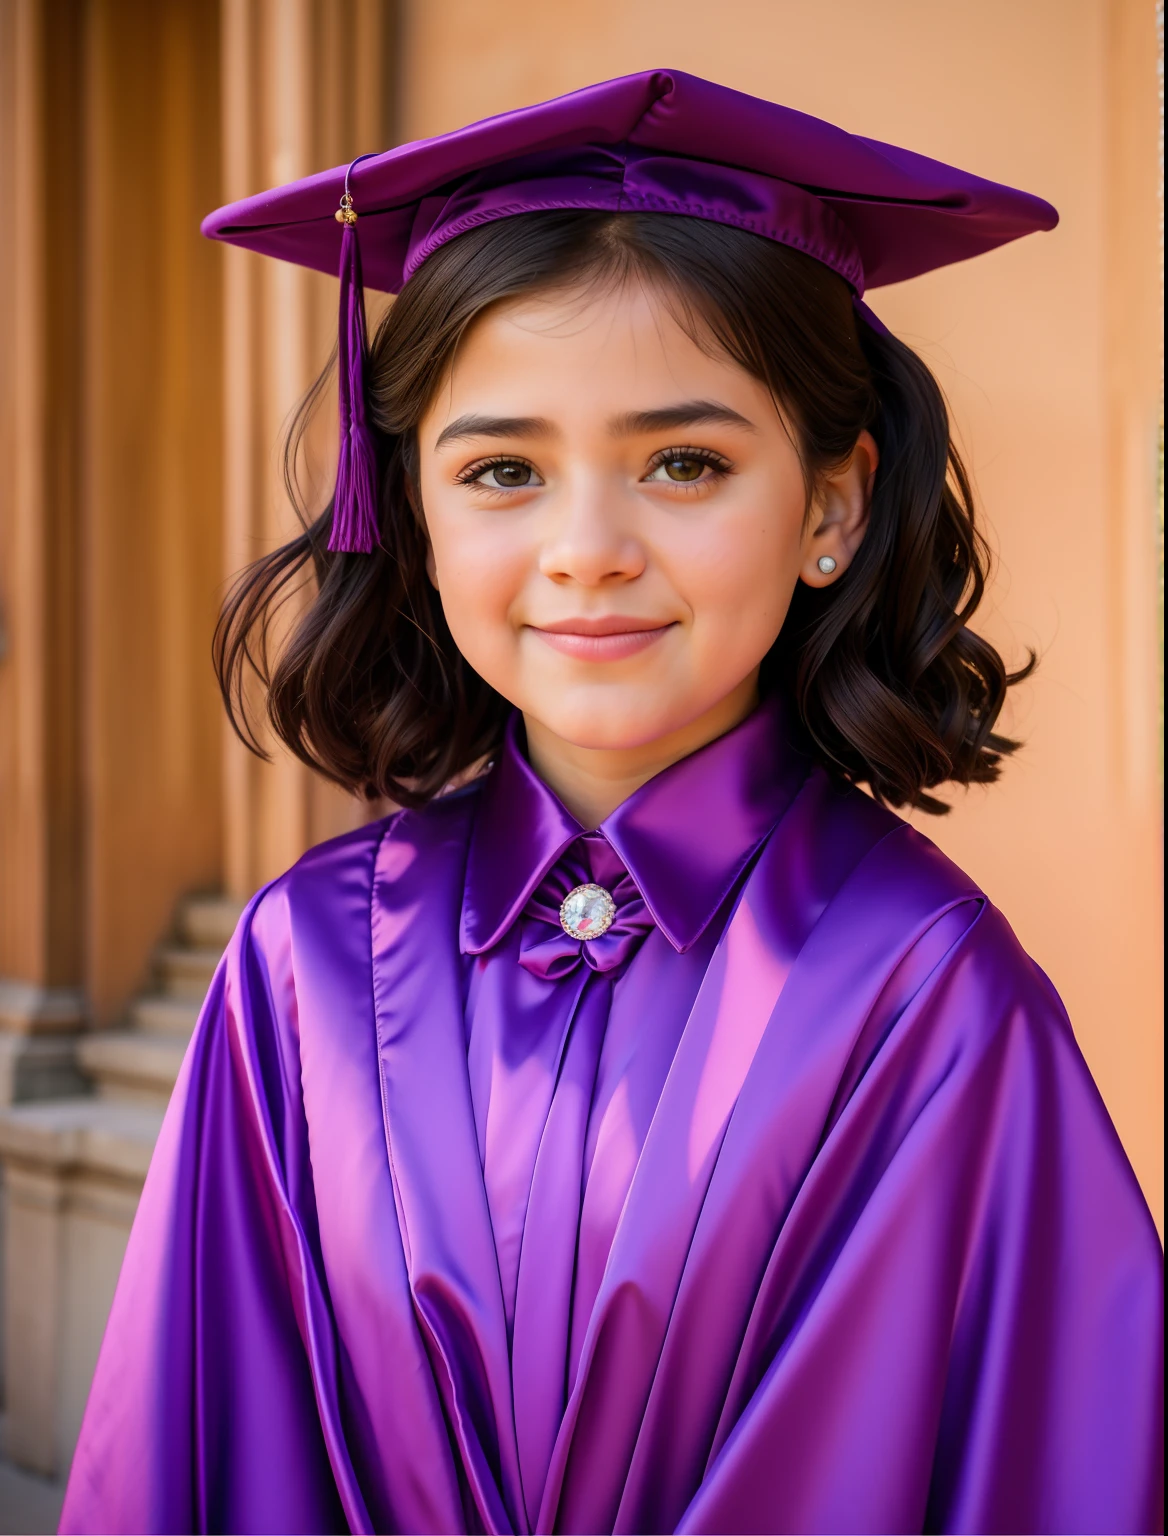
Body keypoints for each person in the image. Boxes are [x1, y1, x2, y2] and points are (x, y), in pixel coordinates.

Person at [60, 69, 1162, 1535]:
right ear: (413, 514)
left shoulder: (931, 998)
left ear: (831, 506)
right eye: (504, 468)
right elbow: (196, 1461)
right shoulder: (301, 969)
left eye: (684, 464)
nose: (588, 549)